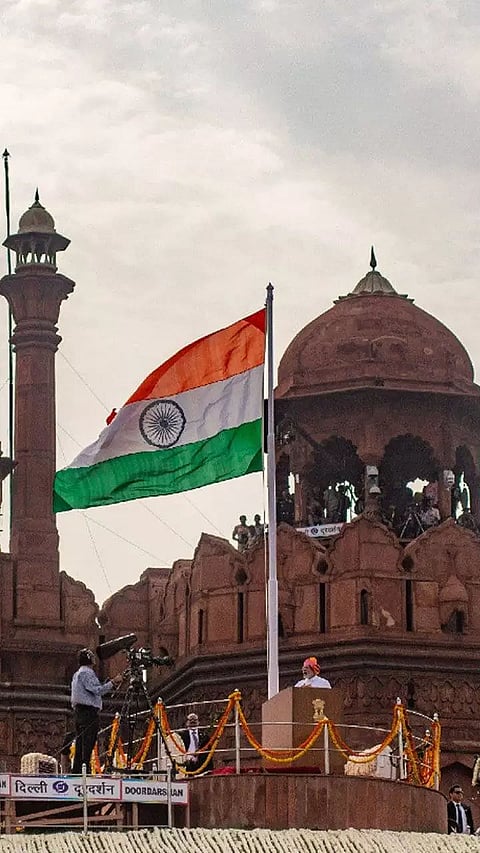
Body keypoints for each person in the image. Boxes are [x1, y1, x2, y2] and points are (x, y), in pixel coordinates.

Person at [70, 648, 122, 774]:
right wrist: (113, 683)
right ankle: (83, 771)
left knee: (81, 744)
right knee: (87, 743)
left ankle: (77, 771)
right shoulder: (87, 673)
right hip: (88, 712)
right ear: (90, 659)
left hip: (79, 712)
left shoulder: (77, 674)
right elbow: (97, 690)